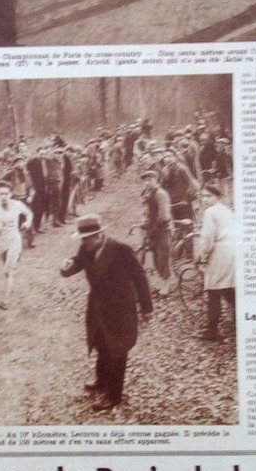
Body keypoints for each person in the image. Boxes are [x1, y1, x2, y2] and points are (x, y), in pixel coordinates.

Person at [60, 213, 153, 413]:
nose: (84, 243)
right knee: (100, 343)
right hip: (97, 307)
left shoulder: (121, 250)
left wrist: (147, 308)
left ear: (98, 236)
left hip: (121, 310)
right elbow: (76, 263)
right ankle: (101, 382)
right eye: (82, 240)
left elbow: (140, 278)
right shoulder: (86, 248)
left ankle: (114, 396)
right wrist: (66, 268)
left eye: (86, 239)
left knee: (118, 351)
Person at [0, 180, 33, 310]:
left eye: (6, 194)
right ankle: (10, 285)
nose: (3, 196)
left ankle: (5, 301)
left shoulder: (17, 204)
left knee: (7, 270)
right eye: (1, 194)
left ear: (11, 194)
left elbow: (29, 214)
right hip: (1, 242)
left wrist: (27, 223)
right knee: (7, 272)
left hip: (14, 240)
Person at [197, 182, 236, 343]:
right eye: (203, 196)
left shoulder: (210, 212)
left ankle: (212, 330)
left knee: (213, 291)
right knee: (227, 288)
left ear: (217, 197)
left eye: (209, 196)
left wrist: (203, 256)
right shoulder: (226, 211)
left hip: (219, 252)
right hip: (231, 251)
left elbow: (208, 238)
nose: (205, 199)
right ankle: (241, 320)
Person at [140, 169, 172, 297]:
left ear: (156, 180)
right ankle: (161, 285)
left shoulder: (160, 194)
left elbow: (164, 216)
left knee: (162, 257)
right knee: (155, 259)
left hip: (162, 230)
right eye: (145, 181)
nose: (147, 183)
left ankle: (166, 287)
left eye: (150, 180)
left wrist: (153, 226)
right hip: (153, 230)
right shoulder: (148, 194)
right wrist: (145, 223)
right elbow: (147, 212)